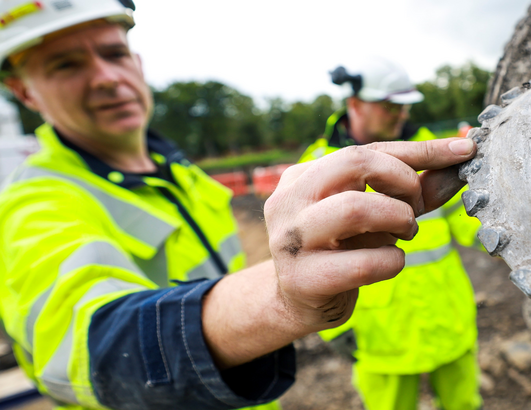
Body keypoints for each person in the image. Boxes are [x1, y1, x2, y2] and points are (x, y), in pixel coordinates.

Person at [0, 1, 477, 409]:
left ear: (138, 61)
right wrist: (281, 300)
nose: (105, 78)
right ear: (24, 91)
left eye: (113, 52)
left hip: (446, 328)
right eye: (65, 64)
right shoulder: (33, 202)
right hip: (383, 346)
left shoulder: (183, 177)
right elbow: (91, 341)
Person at [299, 58, 483, 410]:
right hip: (380, 337)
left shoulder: (436, 153)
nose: (400, 114)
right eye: (389, 106)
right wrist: (333, 328)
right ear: (355, 104)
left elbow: (468, 221)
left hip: (448, 319)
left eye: (404, 106)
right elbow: (307, 258)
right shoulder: (317, 169)